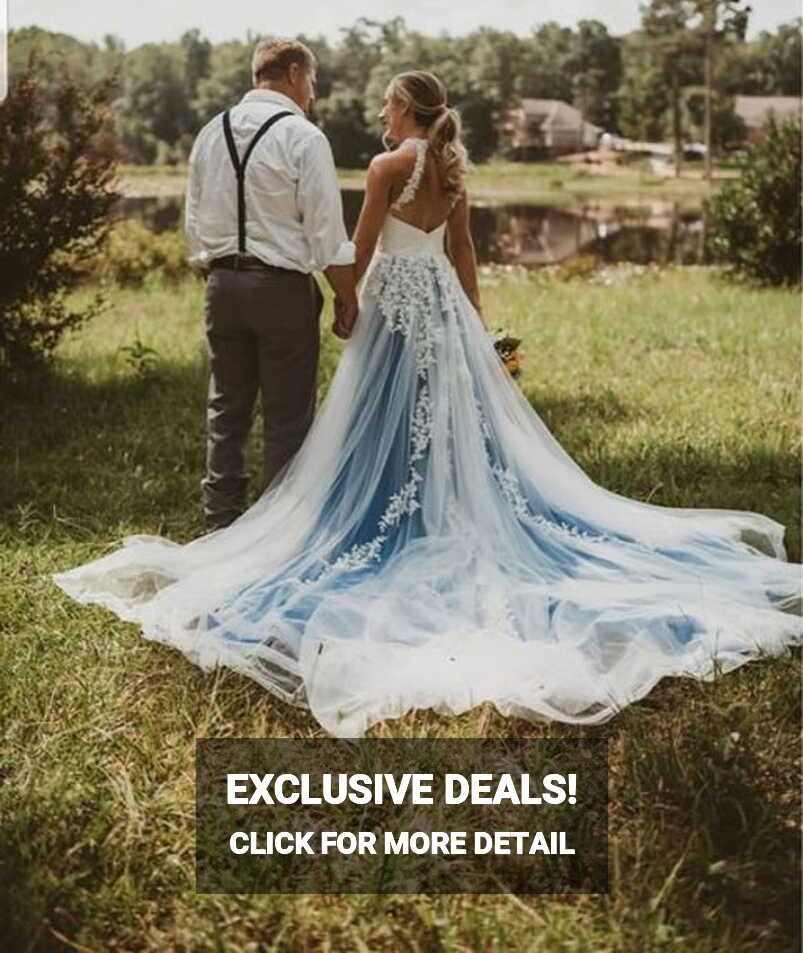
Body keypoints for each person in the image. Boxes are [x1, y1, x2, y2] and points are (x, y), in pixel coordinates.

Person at [52, 70, 802, 738]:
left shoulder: (386, 166)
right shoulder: (448, 168)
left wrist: (350, 306)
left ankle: (371, 514)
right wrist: (475, 327)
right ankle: (434, 502)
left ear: (407, 108)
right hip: (441, 305)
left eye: (387, 101)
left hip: (395, 304)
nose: (380, 111)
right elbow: (463, 251)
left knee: (379, 418)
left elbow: (362, 241)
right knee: (445, 417)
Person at [184, 37, 357, 530]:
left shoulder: (209, 133)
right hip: (281, 290)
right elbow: (326, 235)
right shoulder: (304, 137)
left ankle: (220, 526)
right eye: (314, 83)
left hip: (222, 286)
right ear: (297, 73)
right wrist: (347, 296)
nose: (314, 94)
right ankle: (276, 534)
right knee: (288, 419)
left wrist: (218, 270)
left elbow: (194, 224)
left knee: (226, 410)